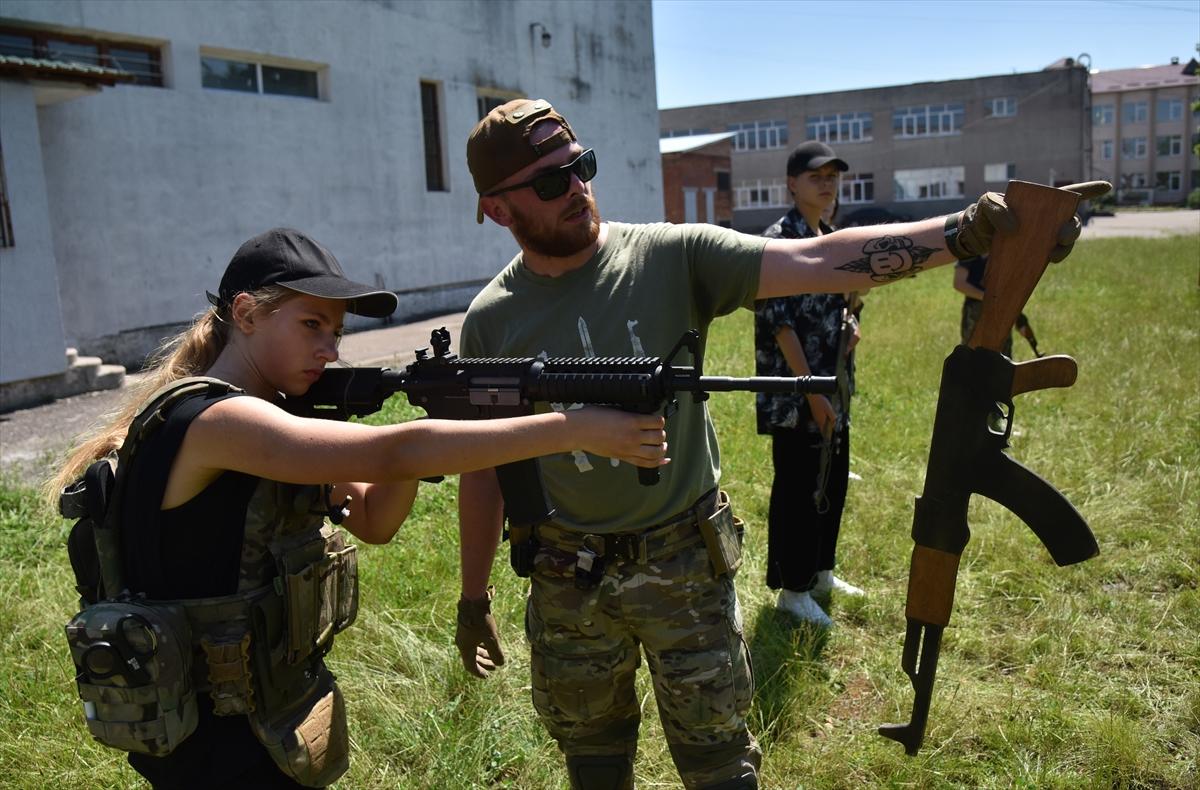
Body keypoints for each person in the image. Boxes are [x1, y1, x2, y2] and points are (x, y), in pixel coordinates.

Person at [454, 98, 1104, 790]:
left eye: (581, 167)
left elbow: (818, 258)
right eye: (552, 183)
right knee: (593, 760)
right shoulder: (492, 323)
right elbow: (485, 468)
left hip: (683, 564)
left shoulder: (670, 258)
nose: (578, 189)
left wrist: (964, 232)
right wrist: (473, 597)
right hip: (567, 576)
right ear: (499, 210)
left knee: (719, 760)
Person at [48, 227, 668, 789]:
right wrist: (574, 429)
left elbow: (375, 521)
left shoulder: (275, 421)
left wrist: (437, 412)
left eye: (337, 333)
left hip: (261, 715)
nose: (331, 350)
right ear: (246, 315)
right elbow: (392, 454)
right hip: (211, 736)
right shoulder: (215, 420)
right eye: (312, 325)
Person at [754, 141, 864, 628]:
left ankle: (820, 571)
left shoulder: (833, 239)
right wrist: (813, 393)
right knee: (798, 488)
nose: (827, 184)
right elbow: (780, 326)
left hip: (832, 385)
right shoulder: (780, 242)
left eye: (833, 177)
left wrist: (851, 326)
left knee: (832, 480)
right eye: (816, 176)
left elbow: (841, 307)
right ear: (792, 184)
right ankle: (792, 591)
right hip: (797, 394)